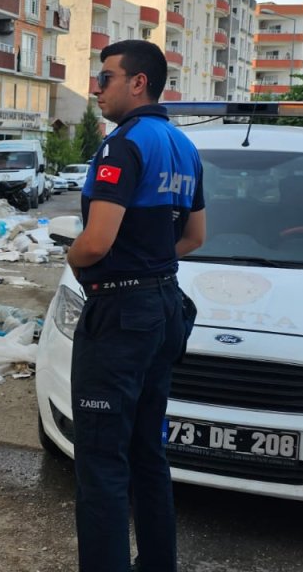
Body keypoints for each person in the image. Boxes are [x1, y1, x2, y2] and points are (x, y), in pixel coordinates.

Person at [66, 39, 205, 572]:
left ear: (138, 82)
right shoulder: (184, 146)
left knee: (101, 464)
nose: (97, 89)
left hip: (121, 318)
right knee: (149, 453)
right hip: (164, 307)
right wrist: (148, 260)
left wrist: (79, 262)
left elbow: (96, 241)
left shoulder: (124, 145)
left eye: (106, 78)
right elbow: (195, 236)